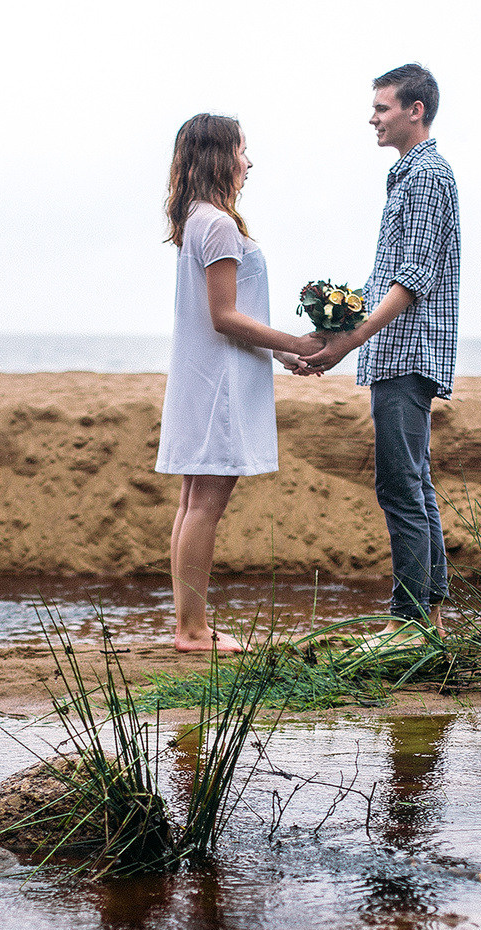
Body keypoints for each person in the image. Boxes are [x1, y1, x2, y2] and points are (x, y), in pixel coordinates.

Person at [299, 64, 460, 633]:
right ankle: (431, 619)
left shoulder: (426, 176)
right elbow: (385, 279)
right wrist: (331, 330)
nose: (372, 118)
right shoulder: (409, 175)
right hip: (399, 350)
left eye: (382, 108)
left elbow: (412, 279)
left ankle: (407, 622)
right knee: (414, 484)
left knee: (400, 486)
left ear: (415, 110)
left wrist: (351, 343)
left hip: (407, 352)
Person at [158, 114, 324, 652]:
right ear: (220, 157)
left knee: (191, 502)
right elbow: (225, 316)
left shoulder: (196, 219)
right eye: (244, 151)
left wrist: (280, 353)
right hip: (221, 385)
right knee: (204, 504)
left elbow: (232, 313)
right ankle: (192, 630)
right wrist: (297, 343)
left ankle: (189, 625)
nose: (250, 163)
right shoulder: (220, 225)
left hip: (206, 377)